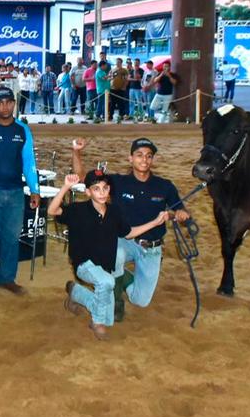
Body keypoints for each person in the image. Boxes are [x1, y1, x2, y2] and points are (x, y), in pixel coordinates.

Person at [72, 137, 190, 322]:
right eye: (139, 155)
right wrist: (76, 151)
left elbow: (180, 210)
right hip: (124, 241)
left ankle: (121, 278)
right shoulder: (118, 182)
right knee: (115, 255)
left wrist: (178, 215)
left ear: (153, 160)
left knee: (140, 300)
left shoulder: (165, 186)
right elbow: (81, 177)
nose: (144, 159)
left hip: (152, 248)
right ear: (130, 158)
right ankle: (116, 301)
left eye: (149, 156)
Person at [48, 170, 169, 340]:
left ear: (109, 189)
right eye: (96, 189)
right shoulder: (78, 210)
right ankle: (97, 324)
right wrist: (66, 187)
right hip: (85, 264)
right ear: (88, 192)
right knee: (106, 283)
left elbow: (128, 233)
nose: (102, 192)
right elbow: (52, 210)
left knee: (109, 316)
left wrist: (155, 223)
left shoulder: (114, 211)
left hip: (106, 266)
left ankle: (75, 292)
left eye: (105, 188)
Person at [0, 86, 39, 298]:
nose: (5, 106)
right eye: (0, 102)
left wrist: (35, 189)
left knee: (12, 238)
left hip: (15, 193)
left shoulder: (23, 130)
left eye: (9, 102)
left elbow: (29, 161)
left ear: (14, 103)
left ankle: (6, 279)